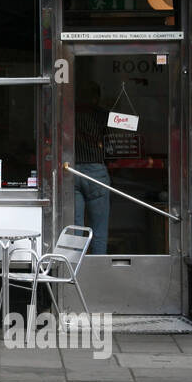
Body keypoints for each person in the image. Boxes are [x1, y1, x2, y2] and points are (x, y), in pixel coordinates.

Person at [73, 81, 110, 254]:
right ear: (96, 98)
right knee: (99, 229)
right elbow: (111, 143)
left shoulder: (68, 113)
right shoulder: (102, 115)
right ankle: (99, 268)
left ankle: (74, 270)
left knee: (75, 229)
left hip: (71, 171)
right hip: (96, 172)